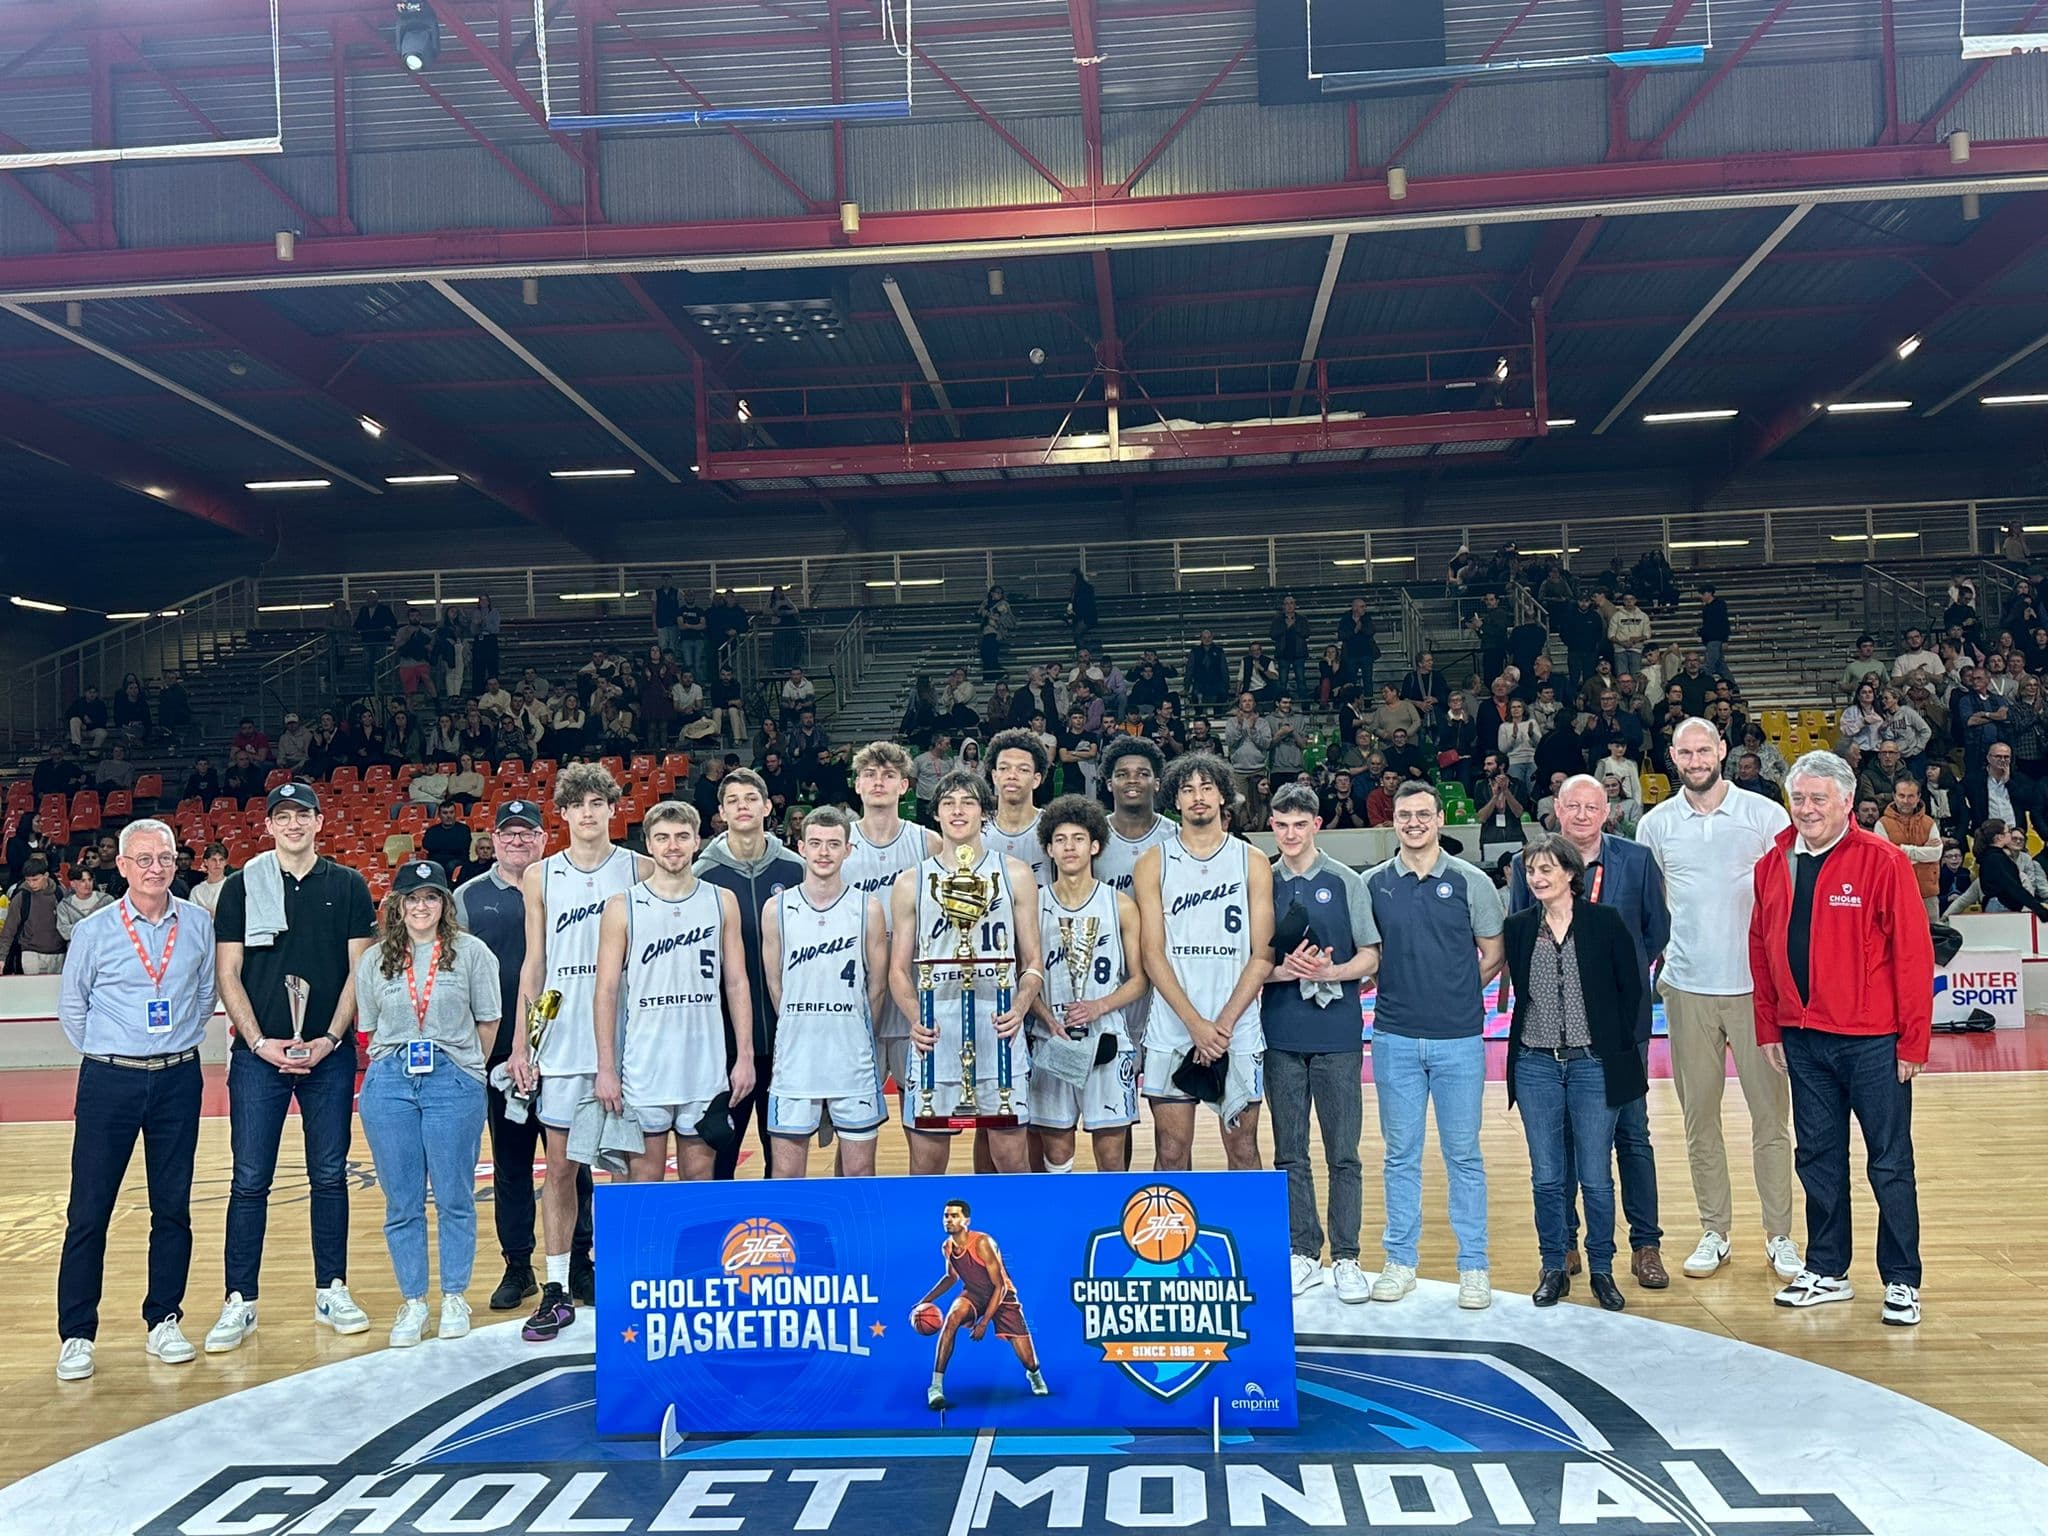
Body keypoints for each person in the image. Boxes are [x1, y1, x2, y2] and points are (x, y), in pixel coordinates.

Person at [1750, 751, 1932, 1325]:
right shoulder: (1773, 860)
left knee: (1889, 1161)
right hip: (1802, 1039)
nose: (1806, 810)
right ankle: (1827, 1269)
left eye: (1817, 799)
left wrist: (1913, 1042)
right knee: (1818, 1157)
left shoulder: (1883, 861)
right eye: (1798, 798)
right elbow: (1760, 946)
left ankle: (1902, 1278)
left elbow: (1912, 954)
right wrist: (1768, 1023)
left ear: (1847, 803)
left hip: (1873, 1041)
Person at [207, 782, 378, 1353]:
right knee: (249, 1179)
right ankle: (240, 1300)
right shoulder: (240, 887)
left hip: (328, 1057)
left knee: (329, 1176)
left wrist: (331, 1038)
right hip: (257, 1059)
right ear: (270, 825)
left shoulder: (349, 884)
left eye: (303, 814)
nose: (294, 824)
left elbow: (360, 971)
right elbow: (228, 973)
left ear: (320, 821)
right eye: (283, 816)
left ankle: (332, 1288)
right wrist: (258, 1043)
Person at [1635, 719, 1802, 1283]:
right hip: (1686, 990)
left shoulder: (1766, 815)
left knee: (1771, 1122)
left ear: (1723, 751)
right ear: (1673, 756)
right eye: (1685, 750)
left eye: (1704, 748)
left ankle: (1780, 1235)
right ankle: (1715, 1230)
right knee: (1698, 1121)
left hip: (1757, 993)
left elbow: (1788, 901)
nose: (1696, 758)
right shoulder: (1655, 825)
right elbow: (1651, 906)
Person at [52, 819, 215, 1383]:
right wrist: (114, 1051)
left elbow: (202, 996)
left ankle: (164, 1319)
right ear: (120, 866)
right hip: (109, 1081)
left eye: (164, 858)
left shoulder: (196, 924)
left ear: (177, 863)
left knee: (172, 1208)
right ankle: (76, 1334)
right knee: (88, 1211)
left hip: (177, 1079)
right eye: (142, 859)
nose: (155, 868)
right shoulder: (95, 932)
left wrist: (167, 1045)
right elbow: (73, 1010)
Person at [1508, 775, 1671, 1287]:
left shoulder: (1636, 859)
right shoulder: (1524, 866)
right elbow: (1520, 928)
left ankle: (1645, 1245)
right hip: (1551, 1038)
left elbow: (1654, 929)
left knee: (1633, 1136)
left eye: (1591, 806)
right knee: (1562, 1143)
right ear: (1556, 809)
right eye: (1572, 806)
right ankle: (1567, 1245)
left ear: (1608, 812)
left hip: (1621, 1029)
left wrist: (1612, 986)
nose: (1581, 814)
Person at [507, 764, 647, 1341]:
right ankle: (558, 1287)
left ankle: (620, 1281)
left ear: (613, 808)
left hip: (625, 1035)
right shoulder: (540, 875)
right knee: (561, 1167)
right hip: (561, 1039)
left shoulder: (637, 867)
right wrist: (522, 1042)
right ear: (561, 814)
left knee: (619, 1165)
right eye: (577, 805)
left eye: (598, 803)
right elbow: (534, 963)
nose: (588, 813)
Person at [1363, 779, 1505, 1310]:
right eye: (1405, 815)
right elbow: (1367, 954)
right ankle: (1400, 1263)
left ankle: (1474, 1267)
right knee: (1400, 1157)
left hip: (1460, 1040)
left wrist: (1459, 992)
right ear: (1393, 821)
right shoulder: (1374, 883)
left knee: (1464, 1156)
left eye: (1424, 814)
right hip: (1394, 1037)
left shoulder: (1471, 881)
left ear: (1440, 818)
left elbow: (1492, 951)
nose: (1415, 823)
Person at [352, 860, 499, 1348]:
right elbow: (371, 1024)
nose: (421, 906)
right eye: (412, 898)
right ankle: (414, 1300)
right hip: (391, 1079)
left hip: (451, 1078)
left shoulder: (472, 953)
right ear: (397, 906)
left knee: (455, 1196)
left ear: (445, 904)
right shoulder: (374, 960)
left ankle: (454, 1295)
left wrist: (467, 1068)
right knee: (402, 1201)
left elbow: (489, 1020)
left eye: (431, 897)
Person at [455, 799, 593, 1314]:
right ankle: (519, 1267)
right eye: (507, 833)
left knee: (572, 1165)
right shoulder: (468, 898)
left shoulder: (565, 883)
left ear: (542, 838)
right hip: (498, 1058)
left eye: (527, 833)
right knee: (512, 1166)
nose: (517, 841)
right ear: (492, 838)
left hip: (565, 1051)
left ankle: (580, 1264)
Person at [1501, 833, 1644, 1313]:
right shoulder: (1519, 927)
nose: (1537, 879)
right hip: (1536, 1063)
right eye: (1530, 871)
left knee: (1596, 1176)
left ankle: (1602, 1267)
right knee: (1546, 1175)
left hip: (1592, 1064)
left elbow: (1631, 991)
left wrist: (1613, 1048)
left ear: (1569, 875)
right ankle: (1553, 1266)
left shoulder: (1604, 922)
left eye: (1546, 870)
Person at [889, 771, 1043, 1175]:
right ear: (935, 814)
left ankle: (1014, 1239)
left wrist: (1021, 1007)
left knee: (1010, 1157)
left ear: (984, 814)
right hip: (936, 1030)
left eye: (968, 802)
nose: (958, 811)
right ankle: (930, 1240)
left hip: (998, 1028)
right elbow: (899, 970)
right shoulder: (911, 881)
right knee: (926, 1162)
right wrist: (915, 1018)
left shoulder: (1016, 874)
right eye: (948, 803)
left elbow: (1033, 963)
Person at [595, 802, 753, 1183]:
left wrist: (744, 1055)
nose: (673, 846)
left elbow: (736, 982)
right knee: (644, 1178)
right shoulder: (622, 906)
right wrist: (605, 1068)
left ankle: (694, 1247)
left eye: (682, 837)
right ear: (648, 844)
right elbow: (605, 992)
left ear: (697, 842)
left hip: (704, 1065)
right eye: (662, 838)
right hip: (645, 1065)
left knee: (700, 1177)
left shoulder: (720, 900)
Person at [1264, 783, 1380, 1302]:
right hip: (1281, 1035)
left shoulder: (1346, 880)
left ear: (1316, 825)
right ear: (1272, 825)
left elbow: (1371, 957)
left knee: (1344, 1154)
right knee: (1289, 1152)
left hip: (1337, 1036)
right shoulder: (1260, 883)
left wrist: (1333, 968)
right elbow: (1249, 966)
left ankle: (1348, 1257)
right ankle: (1302, 1252)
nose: (1290, 833)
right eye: (1281, 824)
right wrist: (1282, 971)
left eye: (1299, 824)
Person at [1134, 752, 1274, 1172]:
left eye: (1207, 788)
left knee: (1244, 1150)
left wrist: (1223, 1025)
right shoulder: (1153, 862)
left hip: (1238, 1026)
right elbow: (1151, 955)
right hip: (1173, 1026)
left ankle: (1244, 1240)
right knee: (1171, 1152)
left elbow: (1264, 951)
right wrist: (1197, 1026)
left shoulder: (1251, 861)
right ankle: (1171, 1238)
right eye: (1188, 789)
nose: (1198, 797)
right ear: (1175, 800)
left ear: (1222, 798)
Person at [755, 804, 891, 1176]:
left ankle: (854, 1238)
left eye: (834, 844)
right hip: (796, 1059)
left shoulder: (868, 908)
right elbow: (775, 984)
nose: (824, 852)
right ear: (801, 847)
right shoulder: (776, 908)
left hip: (852, 1058)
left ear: (848, 850)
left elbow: (876, 989)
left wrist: (855, 1032)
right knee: (786, 1177)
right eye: (815, 843)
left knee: (859, 1176)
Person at [694, 768, 806, 1180]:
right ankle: (720, 1239)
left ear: (766, 806)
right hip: (723, 1041)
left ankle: (780, 1239)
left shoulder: (796, 871)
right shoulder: (702, 877)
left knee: (783, 1153)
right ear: (721, 812)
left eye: (750, 797)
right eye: (733, 800)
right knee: (720, 1150)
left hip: (787, 1036)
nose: (743, 805)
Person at [1026, 796, 1145, 1174]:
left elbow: (1140, 979)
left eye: (1078, 839)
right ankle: (1063, 1231)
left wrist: (1099, 1006)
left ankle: (1110, 1226)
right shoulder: (1034, 905)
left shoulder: (1120, 904)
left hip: (1106, 1037)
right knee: (1056, 1155)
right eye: (1060, 840)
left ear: (1094, 845)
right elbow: (1021, 975)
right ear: (1049, 848)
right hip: (1051, 1039)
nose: (1069, 847)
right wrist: (1046, 1018)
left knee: (1111, 1157)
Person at [844, 742, 939, 1146]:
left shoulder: (928, 843)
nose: (877, 782)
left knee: (920, 1122)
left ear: (904, 785)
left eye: (887, 775)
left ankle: (921, 1207)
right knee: (854, 1131)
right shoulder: (837, 843)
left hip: (910, 997)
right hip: (855, 997)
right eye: (869, 774)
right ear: (857, 785)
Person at [915, 1197, 1048, 1410]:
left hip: (1003, 1298)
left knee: (1030, 1361)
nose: (948, 1220)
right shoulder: (947, 1247)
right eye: (946, 1216)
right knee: (951, 1318)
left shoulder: (983, 1243)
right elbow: (951, 1277)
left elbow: (1000, 1287)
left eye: (954, 1216)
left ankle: (1034, 1375)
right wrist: (924, 1302)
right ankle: (936, 1387)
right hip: (974, 1295)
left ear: (966, 1220)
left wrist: (984, 1323)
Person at [981, 729, 1051, 885]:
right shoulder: (977, 830)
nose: (1012, 775)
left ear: (1036, 779)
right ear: (994, 776)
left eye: (1023, 769)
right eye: (1004, 768)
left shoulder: (1053, 828)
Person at [1953, 819, 2048, 920]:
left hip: (2000, 904)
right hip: (2001, 905)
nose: (2010, 834)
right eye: (2008, 832)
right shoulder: (1996, 859)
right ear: (1998, 837)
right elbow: (2013, 887)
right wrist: (2039, 910)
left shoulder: (1992, 857)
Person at [1878, 777, 1943, 918]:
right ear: (1894, 796)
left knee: (1932, 936)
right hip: (1895, 892)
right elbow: (1885, 858)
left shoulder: (1929, 822)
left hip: (1927, 893)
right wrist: (1921, 853)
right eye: (1901, 796)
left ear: (1918, 797)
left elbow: (1936, 853)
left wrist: (1901, 850)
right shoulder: (1882, 824)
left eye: (1911, 796)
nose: (1906, 801)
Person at [1, 857, 66, 974]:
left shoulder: (60, 893)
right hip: (30, 952)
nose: (31, 884)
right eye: (28, 880)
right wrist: (2, 958)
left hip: (58, 953)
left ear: (46, 875)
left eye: (35, 879)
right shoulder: (21, 897)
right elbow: (9, 929)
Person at [56, 864, 115, 943]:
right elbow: (65, 932)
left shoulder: (107, 900)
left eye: (90, 880)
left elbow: (114, 925)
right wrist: (91, 927)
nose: (88, 884)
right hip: (78, 951)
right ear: (72, 884)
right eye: (82, 881)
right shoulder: (64, 906)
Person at [188, 843, 230, 916]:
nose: (218, 863)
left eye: (221, 860)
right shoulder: (196, 891)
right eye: (213, 860)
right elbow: (191, 917)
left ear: (226, 862)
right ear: (205, 862)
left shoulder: (232, 887)